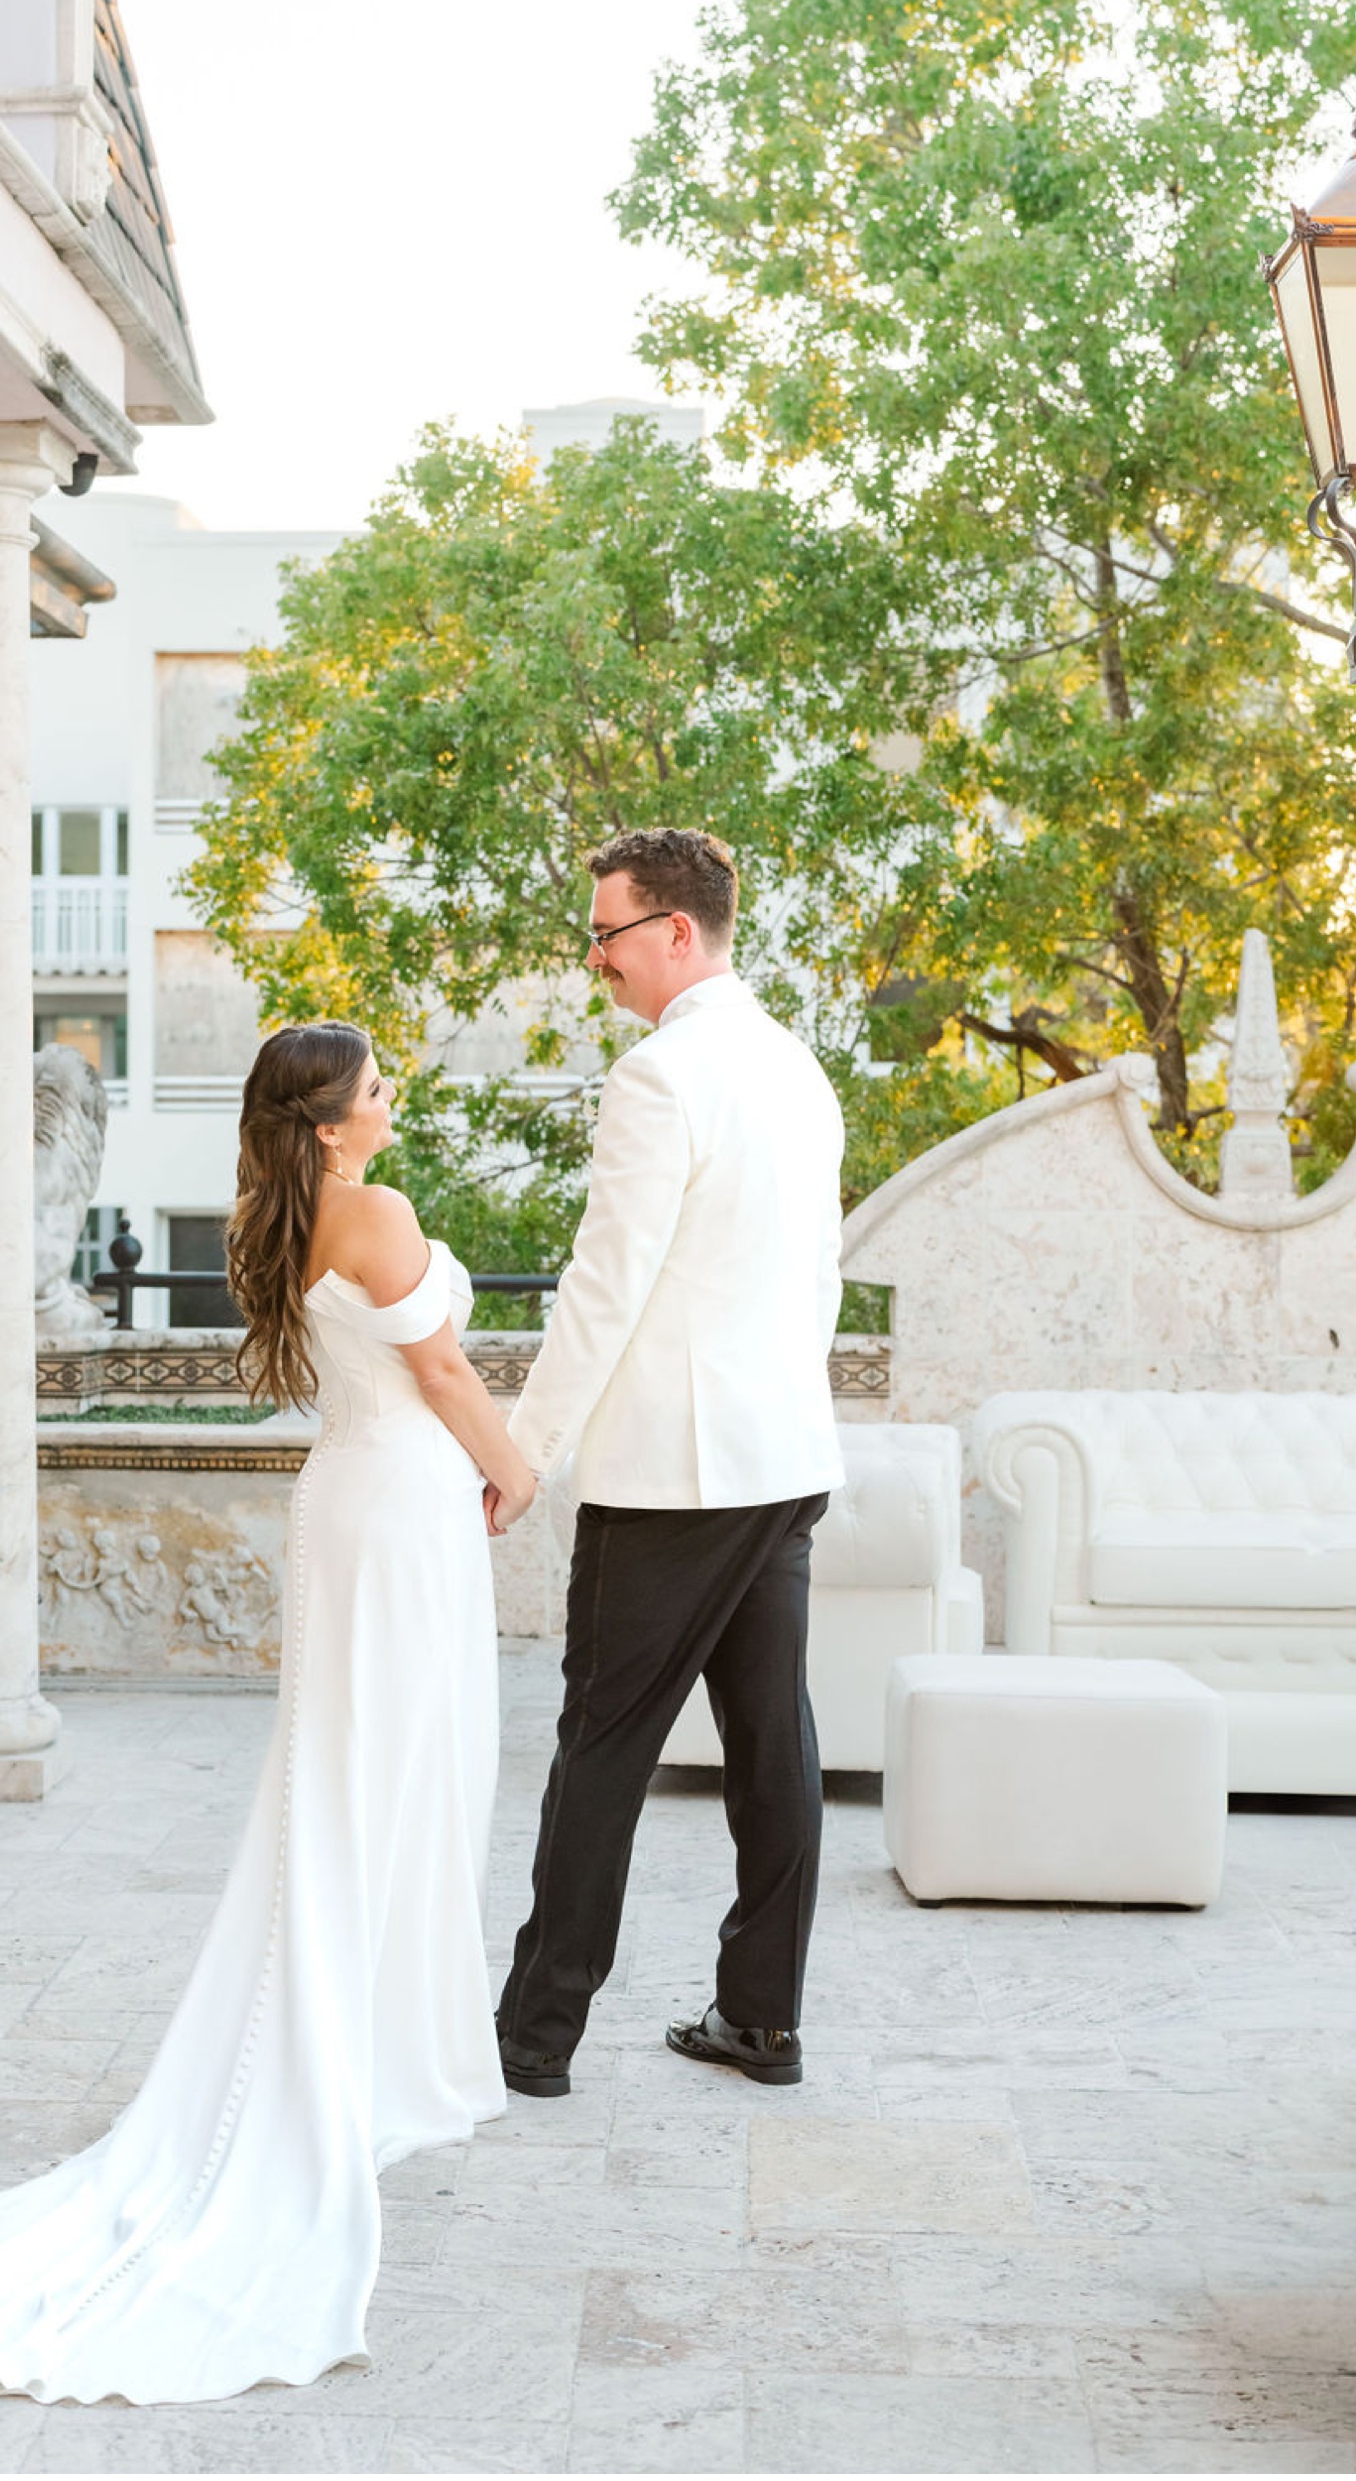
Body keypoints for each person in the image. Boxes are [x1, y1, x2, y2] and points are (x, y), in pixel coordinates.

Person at [0, 1022, 537, 2405]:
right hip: (404, 1501)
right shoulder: (377, 1209)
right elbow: (450, 1373)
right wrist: (517, 1475)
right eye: (375, 1087)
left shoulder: (272, 1215)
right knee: (402, 1763)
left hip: (348, 1494)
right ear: (333, 1117)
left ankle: (387, 2029)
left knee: (349, 1770)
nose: (389, 1099)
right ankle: (380, 2045)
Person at [492, 827, 845, 2098]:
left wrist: (520, 1447)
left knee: (600, 1744)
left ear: (675, 933)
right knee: (772, 1746)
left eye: (608, 932)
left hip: (674, 1478)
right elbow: (818, 1279)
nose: (595, 957)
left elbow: (603, 1286)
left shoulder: (660, 1075)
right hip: (781, 1455)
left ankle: (533, 2037)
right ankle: (761, 2022)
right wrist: (778, 1407)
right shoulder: (799, 1069)